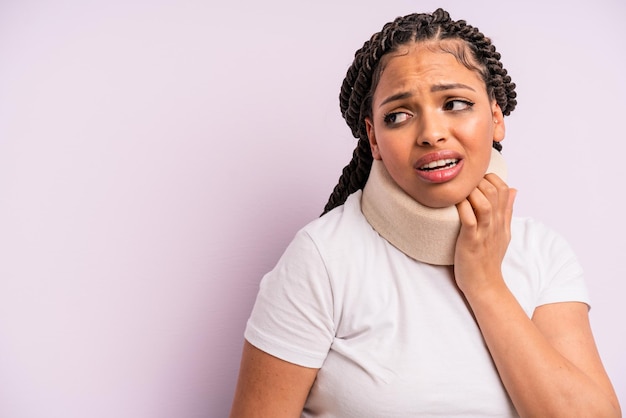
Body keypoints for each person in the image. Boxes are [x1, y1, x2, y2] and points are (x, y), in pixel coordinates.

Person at [229, 8, 621, 418]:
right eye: (398, 115)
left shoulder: (543, 253)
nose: (431, 133)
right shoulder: (324, 258)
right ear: (373, 139)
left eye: (455, 103)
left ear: (496, 118)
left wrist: (486, 284)